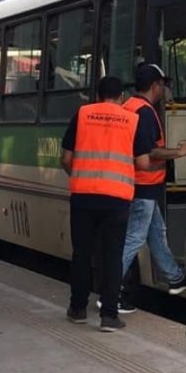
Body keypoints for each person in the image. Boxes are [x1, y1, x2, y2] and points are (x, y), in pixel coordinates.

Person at [61, 76, 148, 332]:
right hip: (117, 200)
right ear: (121, 97)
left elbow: (66, 158)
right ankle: (109, 315)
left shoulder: (83, 114)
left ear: (98, 95)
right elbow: (142, 163)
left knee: (82, 254)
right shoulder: (132, 119)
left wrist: (78, 176)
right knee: (112, 257)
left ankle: (77, 309)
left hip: (83, 197)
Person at [115, 63, 186, 313]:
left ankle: (175, 278)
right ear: (155, 86)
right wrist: (180, 152)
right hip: (144, 184)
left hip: (138, 184)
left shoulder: (128, 106)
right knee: (134, 238)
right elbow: (150, 151)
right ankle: (111, 291)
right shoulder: (145, 112)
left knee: (156, 233)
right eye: (163, 85)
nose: (164, 89)